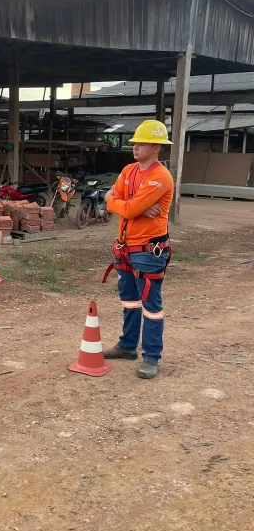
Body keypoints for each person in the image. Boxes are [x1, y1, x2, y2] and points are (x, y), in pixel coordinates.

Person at [103, 120, 174, 379]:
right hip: (126, 247)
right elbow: (109, 198)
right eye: (135, 142)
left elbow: (120, 204)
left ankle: (152, 356)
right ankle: (127, 345)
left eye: (142, 143)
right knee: (130, 300)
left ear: (156, 147)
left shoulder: (159, 176)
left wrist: (123, 203)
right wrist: (135, 206)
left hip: (148, 250)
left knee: (150, 304)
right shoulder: (129, 170)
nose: (135, 147)